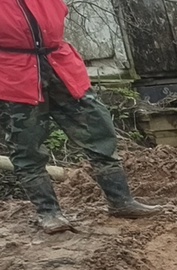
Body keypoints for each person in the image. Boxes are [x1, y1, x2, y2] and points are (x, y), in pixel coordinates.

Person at [0, 0, 161, 233]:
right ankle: (49, 213)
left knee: (98, 128)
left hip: (60, 65)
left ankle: (121, 201)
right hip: (14, 74)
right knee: (26, 147)